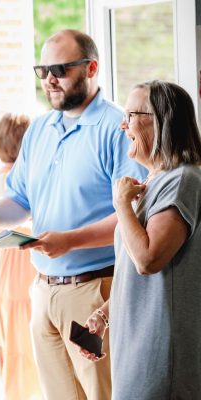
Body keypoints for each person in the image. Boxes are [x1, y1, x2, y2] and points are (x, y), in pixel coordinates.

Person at [0, 29, 146, 400]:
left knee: (103, 395)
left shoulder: (117, 127)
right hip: (42, 291)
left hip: (95, 292)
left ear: (91, 67)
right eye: (42, 70)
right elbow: (20, 200)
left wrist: (71, 241)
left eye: (60, 69)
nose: (49, 79)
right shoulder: (40, 129)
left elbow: (134, 215)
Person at [77, 81, 201, 399]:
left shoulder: (183, 180)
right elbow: (137, 276)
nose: (122, 124)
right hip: (133, 348)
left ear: (161, 121)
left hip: (160, 354)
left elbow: (148, 260)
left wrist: (120, 205)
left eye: (131, 114)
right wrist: (104, 315)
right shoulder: (152, 182)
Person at [0, 113, 41, 400]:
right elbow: (23, 223)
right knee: (22, 352)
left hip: (12, 272)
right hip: (20, 270)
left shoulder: (8, 175)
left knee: (19, 349)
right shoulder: (10, 178)